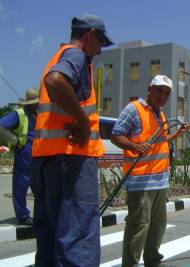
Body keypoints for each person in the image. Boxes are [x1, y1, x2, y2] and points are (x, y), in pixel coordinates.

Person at [30, 14, 113, 266]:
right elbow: (56, 81)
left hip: (45, 159)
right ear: (89, 36)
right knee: (78, 237)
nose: (99, 51)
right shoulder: (76, 56)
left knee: (51, 238)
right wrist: (84, 121)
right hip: (71, 160)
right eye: (100, 43)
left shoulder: (56, 56)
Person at [111, 75, 190, 267]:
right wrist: (135, 146)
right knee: (139, 227)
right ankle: (129, 264)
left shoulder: (160, 113)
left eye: (166, 93)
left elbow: (157, 141)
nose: (162, 96)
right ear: (149, 89)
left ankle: (153, 261)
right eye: (159, 91)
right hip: (140, 181)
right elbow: (115, 135)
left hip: (160, 181)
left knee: (157, 226)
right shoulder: (134, 109)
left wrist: (175, 135)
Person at [0, 88, 39, 225]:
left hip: (37, 152)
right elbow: (1, 126)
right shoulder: (20, 114)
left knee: (39, 185)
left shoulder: (37, 114)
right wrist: (14, 140)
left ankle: (38, 214)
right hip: (24, 152)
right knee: (21, 185)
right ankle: (22, 215)